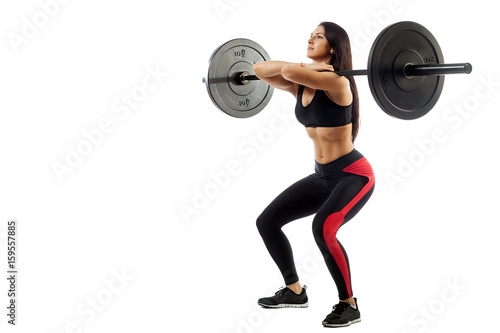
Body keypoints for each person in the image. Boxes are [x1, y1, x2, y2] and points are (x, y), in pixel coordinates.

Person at [253, 21, 375, 328]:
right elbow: (259, 69)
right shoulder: (304, 84)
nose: (310, 38)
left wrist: (319, 69)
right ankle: (294, 290)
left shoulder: (338, 83)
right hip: (322, 176)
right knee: (267, 221)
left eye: (318, 36)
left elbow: (289, 72)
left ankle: (349, 304)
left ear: (332, 48)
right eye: (311, 35)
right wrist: (314, 68)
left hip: (353, 174)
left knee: (323, 228)